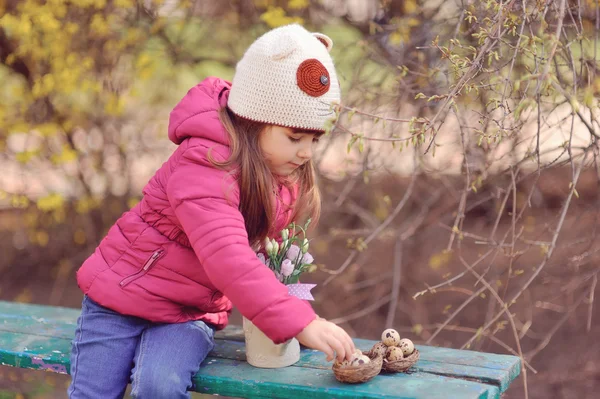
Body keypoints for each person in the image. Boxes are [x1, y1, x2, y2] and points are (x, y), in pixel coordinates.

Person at [67, 24, 356, 399]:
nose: (306, 153)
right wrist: (299, 321)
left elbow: (257, 260)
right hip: (118, 298)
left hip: (187, 313)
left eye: (314, 139)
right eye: (295, 137)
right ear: (253, 121)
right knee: (94, 391)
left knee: (159, 387)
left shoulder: (278, 174)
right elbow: (227, 256)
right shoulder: (204, 163)